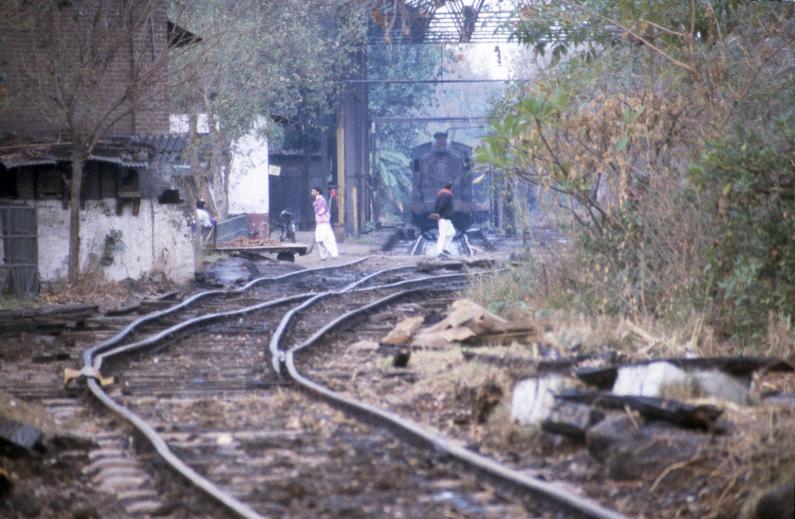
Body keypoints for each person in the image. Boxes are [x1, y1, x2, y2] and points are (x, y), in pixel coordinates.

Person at [311, 186, 339, 260]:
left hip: (324, 223)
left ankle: (334, 254)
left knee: (327, 239)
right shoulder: (318, 200)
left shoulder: (321, 200)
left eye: (313, 191)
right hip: (320, 223)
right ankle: (324, 256)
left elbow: (321, 211)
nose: (312, 193)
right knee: (320, 239)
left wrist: (315, 205)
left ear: (318, 192)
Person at [434, 183, 455, 257]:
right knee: (442, 234)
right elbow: (442, 205)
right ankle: (439, 251)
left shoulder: (442, 193)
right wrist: (438, 214)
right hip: (443, 217)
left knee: (452, 232)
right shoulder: (446, 194)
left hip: (446, 217)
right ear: (451, 188)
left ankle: (445, 249)